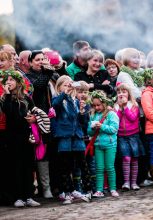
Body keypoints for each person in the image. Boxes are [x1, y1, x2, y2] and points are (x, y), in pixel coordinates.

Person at [0, 70, 40, 207]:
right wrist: (7, 93)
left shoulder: (27, 98)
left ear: (18, 82)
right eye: (7, 80)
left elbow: (35, 112)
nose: (8, 82)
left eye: (11, 80)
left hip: (26, 137)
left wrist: (34, 119)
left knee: (28, 166)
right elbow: (8, 111)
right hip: (12, 137)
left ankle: (28, 195)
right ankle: (18, 197)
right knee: (16, 166)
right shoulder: (5, 98)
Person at [52, 75, 91, 205]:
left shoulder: (76, 101)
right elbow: (55, 104)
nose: (68, 86)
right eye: (65, 85)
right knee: (65, 166)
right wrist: (65, 93)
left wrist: (81, 112)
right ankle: (68, 193)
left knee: (82, 164)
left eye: (70, 84)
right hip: (64, 136)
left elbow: (84, 122)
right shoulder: (58, 99)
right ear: (59, 87)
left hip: (77, 136)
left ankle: (88, 191)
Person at [26, 50, 58, 199]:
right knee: (41, 153)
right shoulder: (28, 76)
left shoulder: (49, 73)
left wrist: (54, 69)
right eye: (37, 60)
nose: (40, 62)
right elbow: (38, 86)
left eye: (43, 59)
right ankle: (45, 188)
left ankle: (55, 186)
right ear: (30, 62)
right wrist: (47, 71)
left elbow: (60, 80)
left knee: (52, 152)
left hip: (50, 118)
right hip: (36, 119)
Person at [87, 90, 119, 197]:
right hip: (98, 145)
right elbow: (89, 132)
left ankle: (113, 188)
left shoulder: (111, 114)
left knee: (110, 167)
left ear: (104, 103)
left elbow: (114, 129)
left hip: (110, 144)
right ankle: (99, 190)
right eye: (94, 105)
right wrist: (92, 128)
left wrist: (102, 126)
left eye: (98, 105)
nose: (96, 108)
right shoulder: (93, 115)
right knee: (99, 168)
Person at [114, 83, 145, 190]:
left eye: (124, 92)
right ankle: (126, 182)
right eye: (119, 92)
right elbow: (116, 120)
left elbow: (132, 118)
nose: (121, 94)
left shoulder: (134, 105)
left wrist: (125, 106)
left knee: (135, 159)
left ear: (128, 93)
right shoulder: (116, 106)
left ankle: (134, 182)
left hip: (134, 136)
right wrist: (119, 108)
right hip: (122, 136)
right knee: (126, 158)